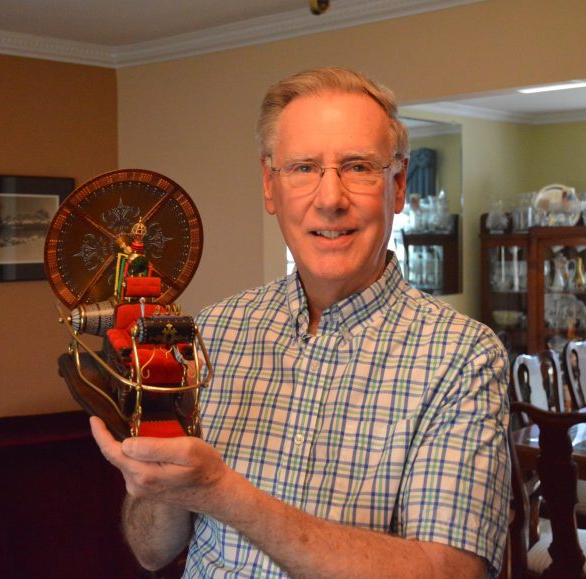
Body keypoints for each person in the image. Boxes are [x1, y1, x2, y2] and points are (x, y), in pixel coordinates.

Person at [91, 66, 510, 578]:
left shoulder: (461, 356)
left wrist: (224, 493)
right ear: (271, 186)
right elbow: (151, 551)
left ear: (397, 186)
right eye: (304, 168)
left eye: (358, 167)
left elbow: (448, 573)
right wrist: (157, 483)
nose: (330, 199)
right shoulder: (214, 331)